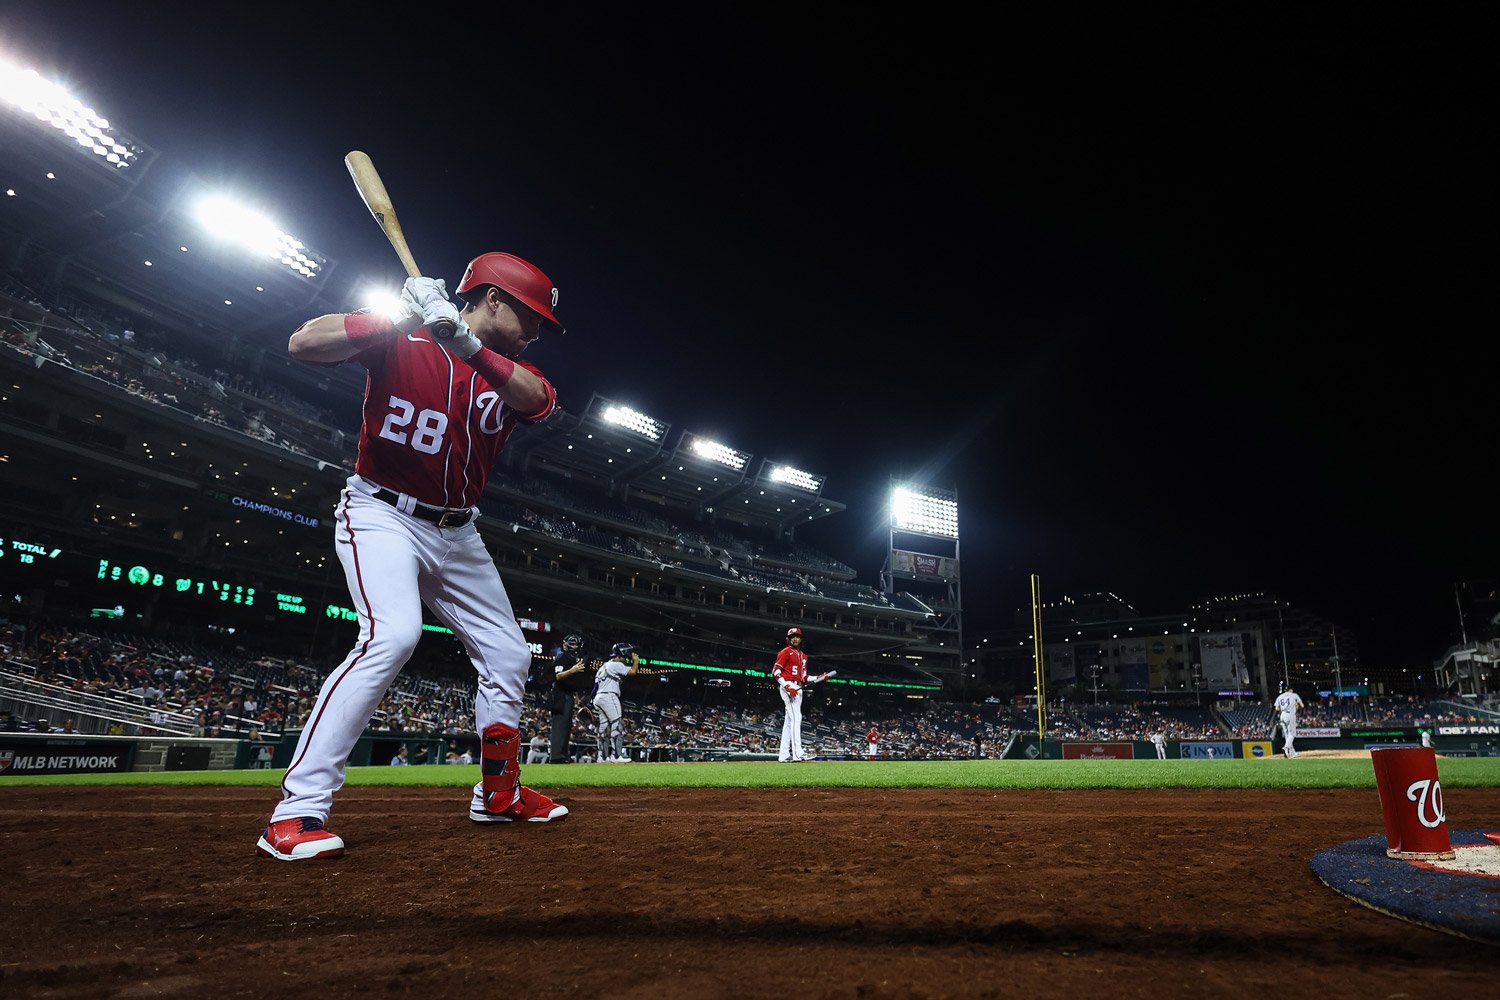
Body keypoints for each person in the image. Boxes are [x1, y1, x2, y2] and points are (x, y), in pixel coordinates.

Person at [255, 252, 570, 862]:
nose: (536, 332)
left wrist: (469, 344)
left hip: (459, 531)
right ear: (493, 299)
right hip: (381, 512)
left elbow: (538, 403)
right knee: (392, 635)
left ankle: (497, 794)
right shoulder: (404, 336)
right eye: (529, 316)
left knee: (508, 653)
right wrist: (400, 316)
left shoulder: (505, 369)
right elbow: (303, 343)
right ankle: (295, 813)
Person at [771, 628, 835, 763]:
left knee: (789, 721)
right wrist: (786, 686)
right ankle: (798, 753)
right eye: (792, 636)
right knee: (797, 718)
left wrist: (818, 677)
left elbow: (804, 677)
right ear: (788, 639)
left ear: (801, 639)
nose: (795, 639)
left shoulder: (804, 656)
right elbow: (776, 671)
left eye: (797, 636)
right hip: (788, 686)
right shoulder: (785, 652)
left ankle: (783, 755)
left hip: (798, 686)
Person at [592, 643, 639, 763]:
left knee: (604, 727)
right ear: (622, 654)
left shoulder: (603, 666)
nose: (626, 659)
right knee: (617, 723)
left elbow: (595, 688)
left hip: (599, 697)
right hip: (609, 696)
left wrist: (591, 701)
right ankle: (617, 755)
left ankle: (602, 757)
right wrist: (636, 661)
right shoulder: (616, 664)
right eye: (626, 656)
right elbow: (633, 672)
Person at [549, 634, 593, 762]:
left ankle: (562, 756)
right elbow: (558, 676)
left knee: (566, 727)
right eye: (575, 644)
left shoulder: (571, 658)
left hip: (568, 695)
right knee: (560, 726)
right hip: (560, 696)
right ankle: (556, 757)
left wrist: (577, 696)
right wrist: (572, 670)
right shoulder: (563, 656)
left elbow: (571, 682)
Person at [1272, 682, 1304, 758]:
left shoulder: (1280, 696)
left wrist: (1284, 708)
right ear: (1291, 690)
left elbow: (1276, 708)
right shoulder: (1294, 695)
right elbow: (1302, 705)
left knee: (1287, 735)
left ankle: (1291, 752)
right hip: (1290, 715)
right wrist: (1296, 707)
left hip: (1282, 715)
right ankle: (1286, 747)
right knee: (1292, 734)